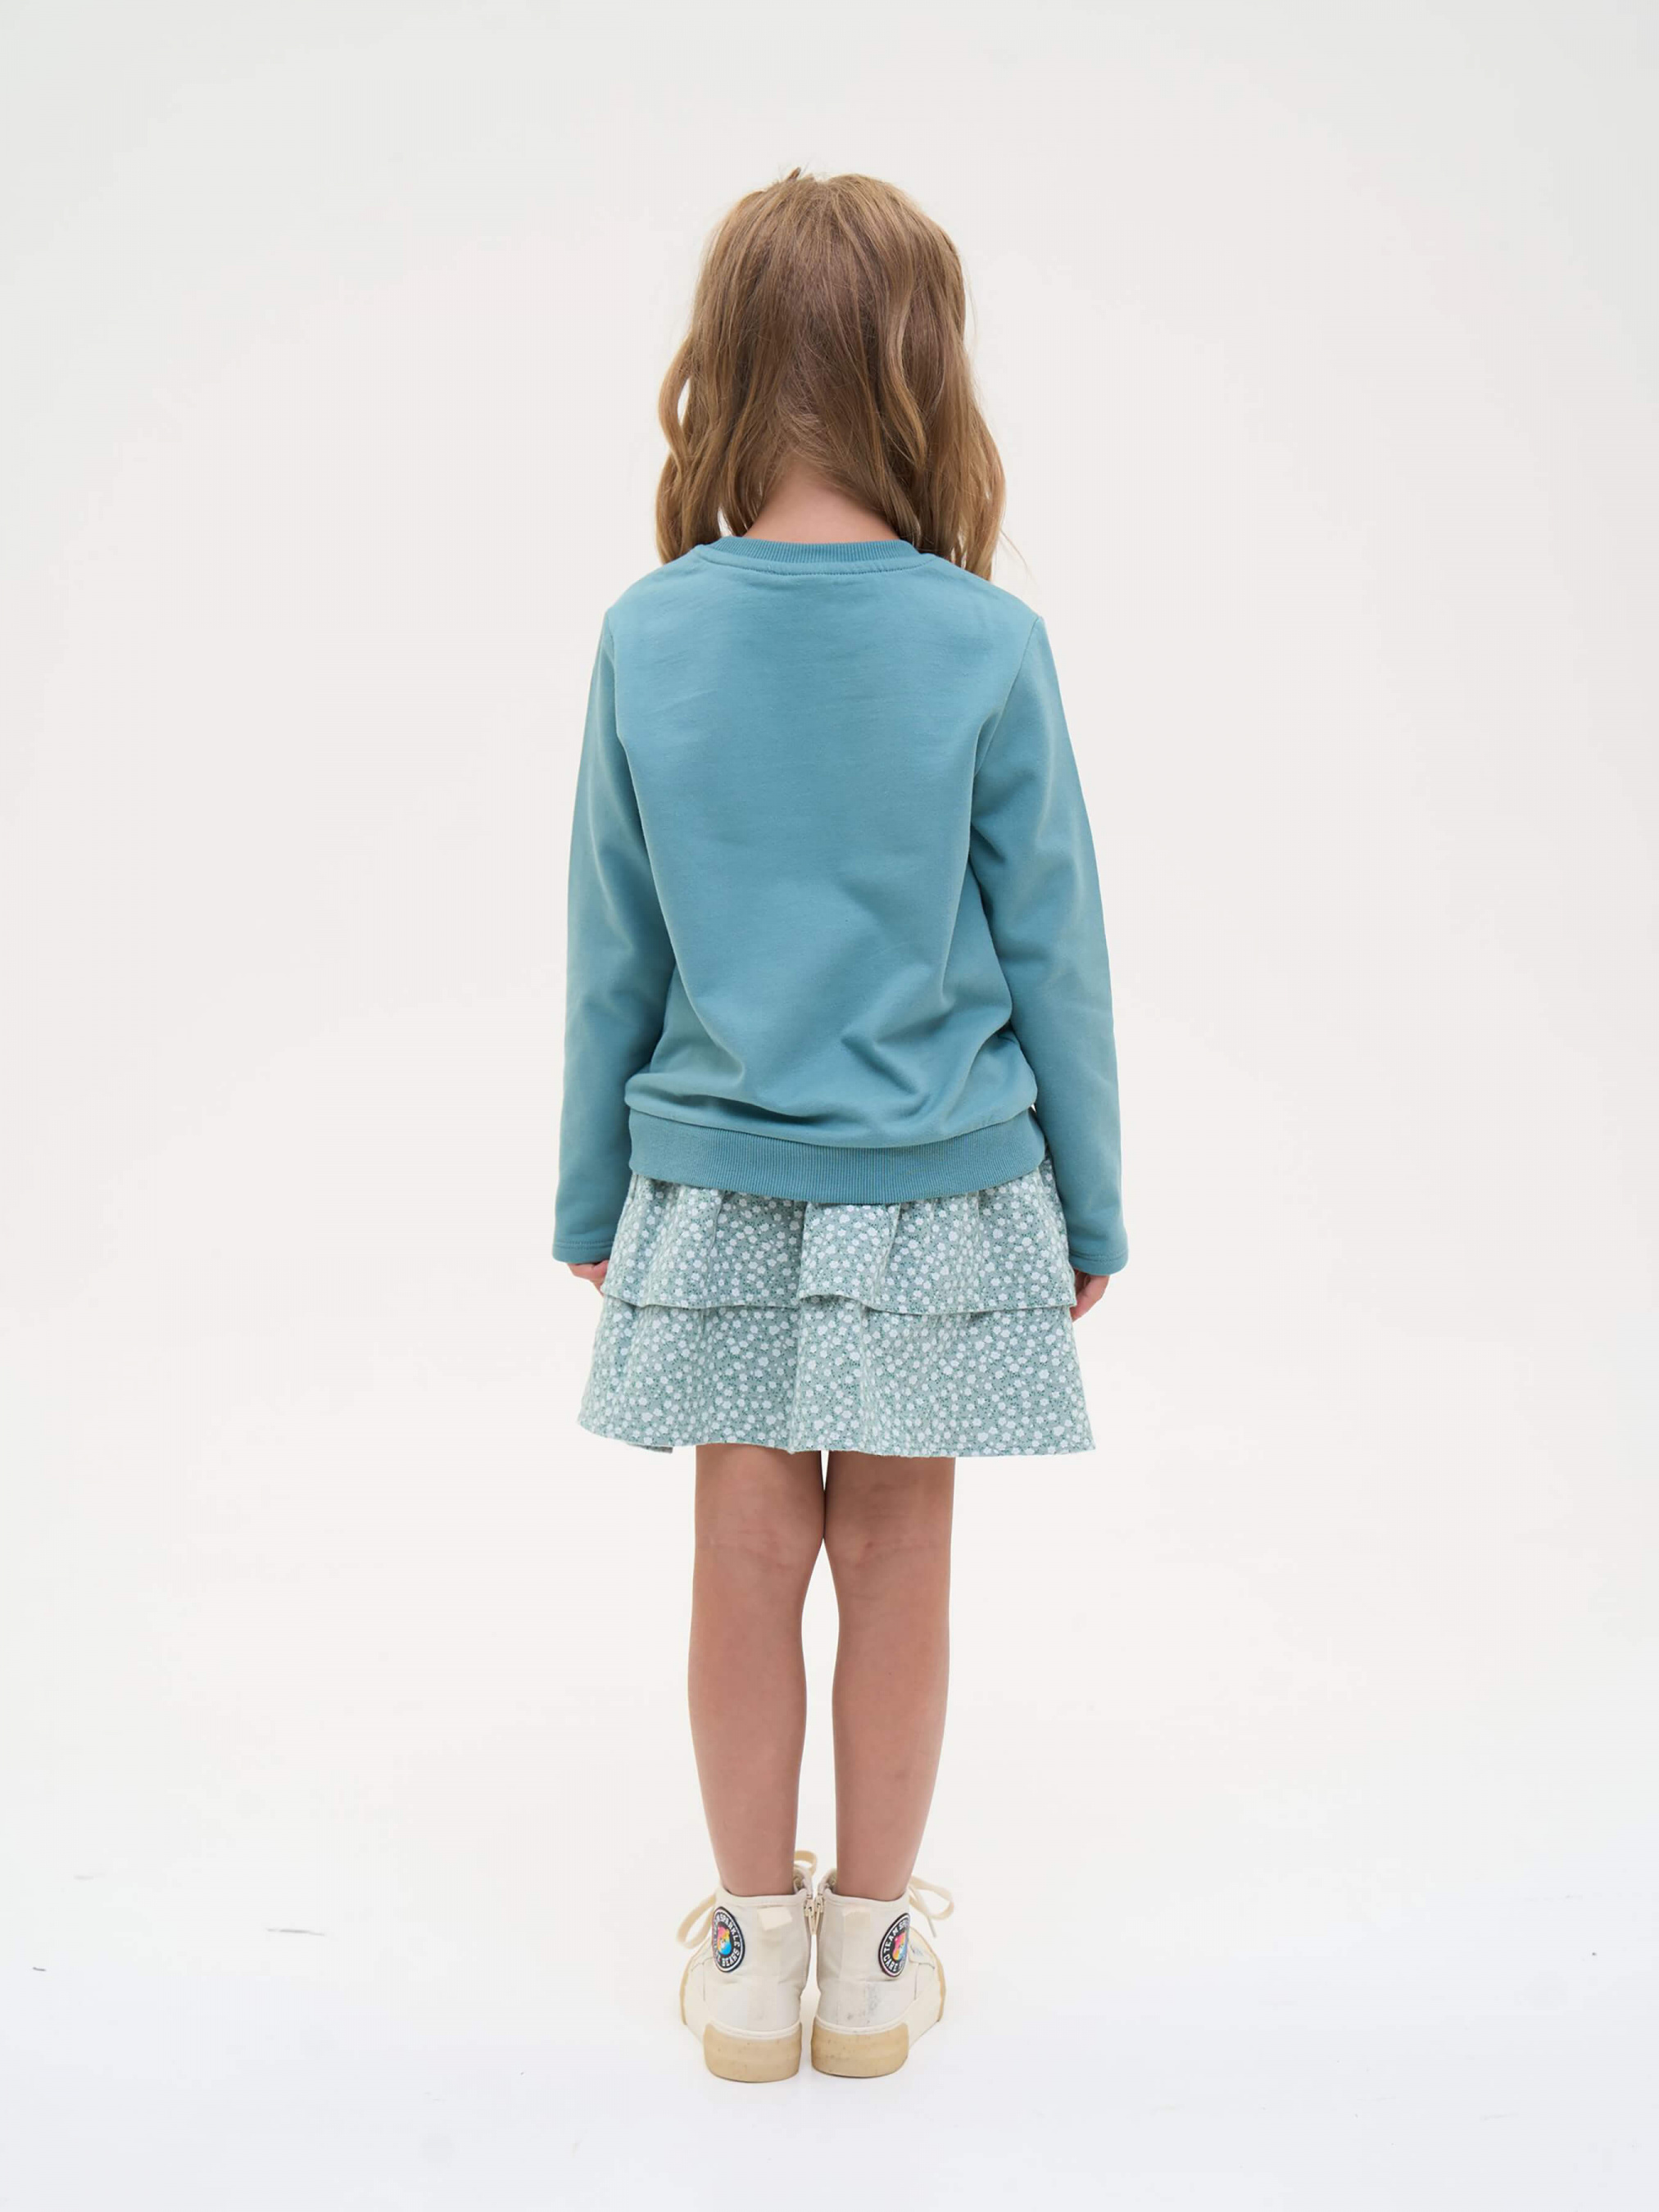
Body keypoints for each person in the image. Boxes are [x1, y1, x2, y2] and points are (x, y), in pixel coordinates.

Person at [553, 170, 1126, 2082]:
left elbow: (613, 943)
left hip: (711, 1174)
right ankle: (870, 1966)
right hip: (943, 1178)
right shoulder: (983, 643)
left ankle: (743, 1961)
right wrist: (1089, 1206)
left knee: (737, 1550)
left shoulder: (650, 634)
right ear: (919, 374)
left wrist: (587, 1191)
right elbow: (1053, 946)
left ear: (717, 371)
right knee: (897, 1555)